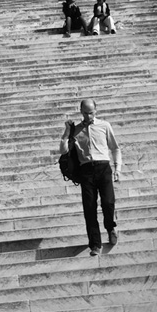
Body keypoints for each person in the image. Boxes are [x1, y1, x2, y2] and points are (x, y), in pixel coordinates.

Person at [60, 99, 121, 256]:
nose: (89, 116)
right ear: (81, 111)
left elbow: (115, 148)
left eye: (92, 112)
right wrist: (67, 133)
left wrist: (117, 168)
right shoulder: (76, 130)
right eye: (86, 113)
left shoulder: (104, 126)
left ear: (96, 110)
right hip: (86, 170)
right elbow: (63, 150)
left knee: (108, 202)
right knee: (89, 209)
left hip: (103, 167)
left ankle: (110, 227)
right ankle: (95, 244)